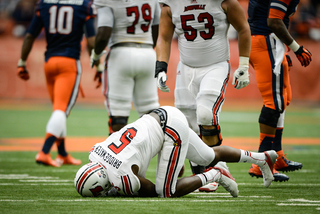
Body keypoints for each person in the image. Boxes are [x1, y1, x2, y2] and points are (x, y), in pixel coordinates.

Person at [74, 106, 277, 198]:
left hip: (169, 128)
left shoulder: (121, 176)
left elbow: (150, 190)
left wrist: (116, 191)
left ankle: (214, 174)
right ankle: (262, 158)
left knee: (166, 192)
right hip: (161, 116)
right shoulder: (95, 152)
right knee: (208, 155)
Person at [154, 0, 251, 191]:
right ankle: (204, 174)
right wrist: (161, 67)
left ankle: (217, 168)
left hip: (215, 65)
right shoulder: (170, 4)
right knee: (187, 122)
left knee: (206, 115)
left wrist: (244, 64)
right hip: (186, 68)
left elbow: (243, 28)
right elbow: (164, 37)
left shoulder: (223, 2)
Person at [17, 0, 103, 167]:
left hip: (49, 62)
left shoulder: (44, 3)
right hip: (69, 63)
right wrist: (98, 65)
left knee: (59, 108)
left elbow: (30, 35)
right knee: (61, 111)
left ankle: (62, 153)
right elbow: (91, 41)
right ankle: (44, 152)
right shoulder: (83, 5)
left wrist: (22, 62)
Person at [247, 0, 312, 181]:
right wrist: (296, 48)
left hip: (267, 41)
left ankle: (278, 155)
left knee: (283, 99)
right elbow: (273, 21)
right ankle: (262, 163)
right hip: (265, 40)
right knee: (273, 102)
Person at [90, 0, 160, 135]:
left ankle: (118, 155)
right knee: (151, 112)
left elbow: (104, 32)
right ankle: (157, 153)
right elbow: (157, 27)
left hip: (120, 53)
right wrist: (146, 49)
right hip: (148, 53)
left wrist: (96, 54)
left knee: (118, 116)